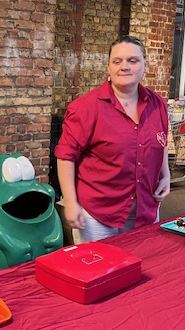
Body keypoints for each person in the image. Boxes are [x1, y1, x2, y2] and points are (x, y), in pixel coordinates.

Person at [55, 35, 170, 243]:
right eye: (117, 61)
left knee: (143, 261)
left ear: (145, 65)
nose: (124, 67)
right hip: (98, 216)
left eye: (132, 60)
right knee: (99, 264)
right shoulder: (86, 107)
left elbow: (161, 142)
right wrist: (70, 202)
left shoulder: (157, 104)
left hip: (145, 210)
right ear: (108, 66)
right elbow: (65, 156)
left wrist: (166, 175)